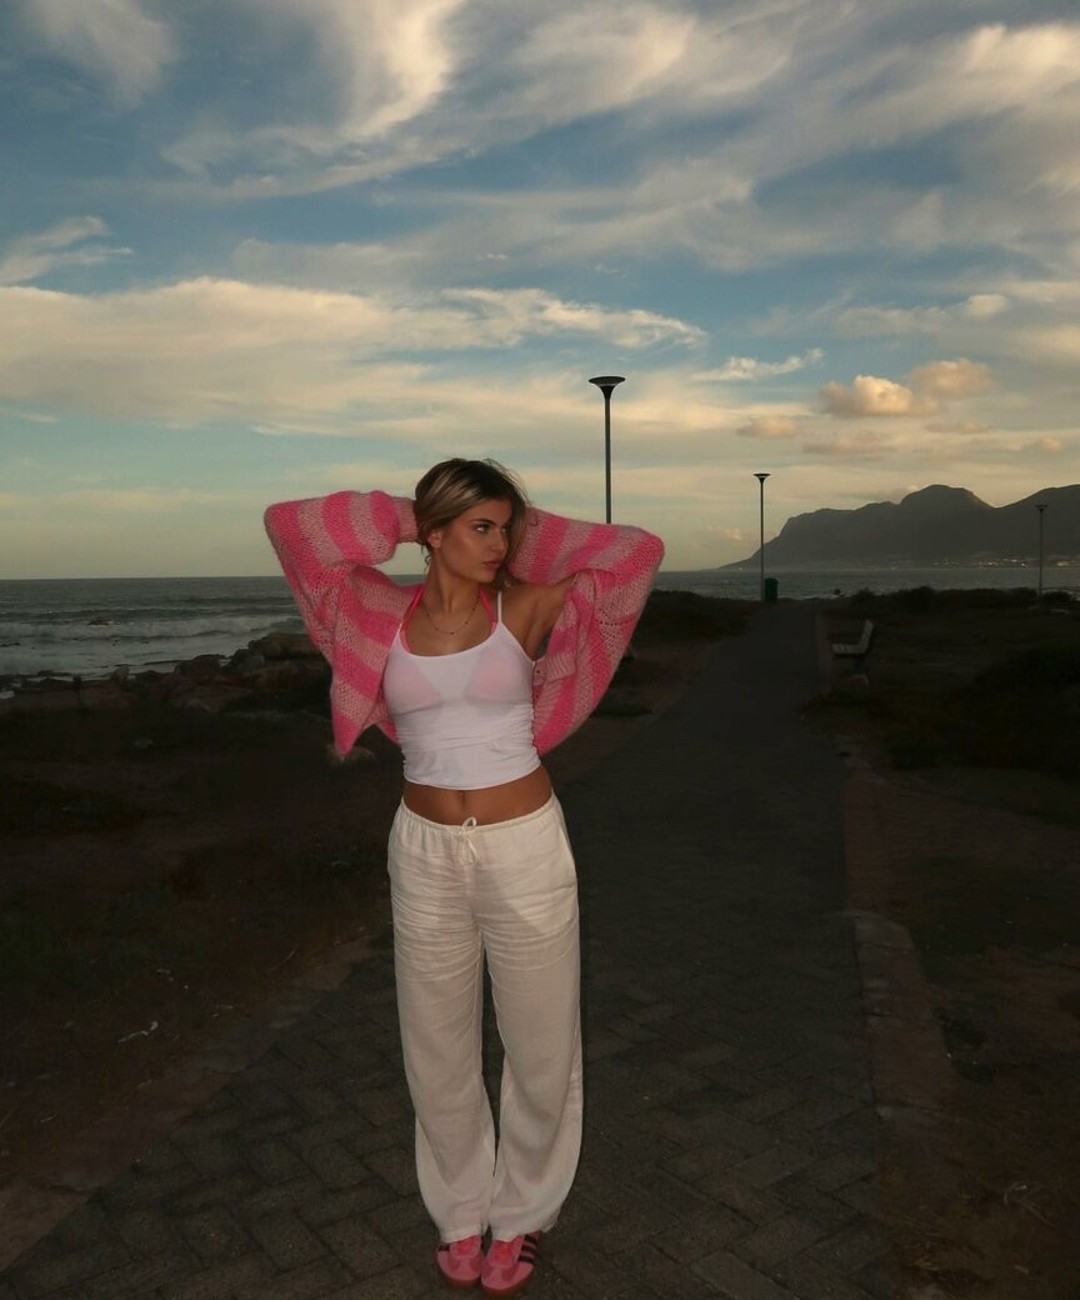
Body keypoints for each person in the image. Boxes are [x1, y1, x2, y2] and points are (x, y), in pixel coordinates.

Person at [265, 459, 663, 1295]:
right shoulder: (374, 611)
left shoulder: (526, 606)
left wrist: (523, 530)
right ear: (434, 532)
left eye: (505, 529)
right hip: (423, 851)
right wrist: (411, 516)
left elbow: (636, 554)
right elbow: (289, 527)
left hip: (524, 845)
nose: (500, 545)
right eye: (481, 528)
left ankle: (521, 1215)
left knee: (541, 1041)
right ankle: (458, 1210)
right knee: (435, 1041)